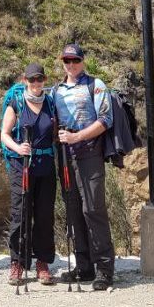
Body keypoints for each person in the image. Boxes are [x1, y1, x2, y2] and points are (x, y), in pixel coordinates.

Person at [53, 43, 115, 291]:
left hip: (90, 153)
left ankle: (104, 270)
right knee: (74, 210)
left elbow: (106, 119)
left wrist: (78, 137)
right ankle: (84, 266)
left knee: (93, 209)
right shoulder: (56, 90)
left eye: (75, 60)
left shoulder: (96, 85)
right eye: (67, 61)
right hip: (66, 156)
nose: (71, 65)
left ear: (83, 61)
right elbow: (32, 97)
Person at [0, 63, 56, 286]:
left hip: (46, 164)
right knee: (20, 213)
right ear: (25, 80)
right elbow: (4, 134)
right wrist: (17, 147)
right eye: (32, 80)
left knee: (44, 215)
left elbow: (55, 132)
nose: (36, 83)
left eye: (39, 79)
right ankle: (18, 262)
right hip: (20, 165)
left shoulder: (51, 103)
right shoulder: (16, 102)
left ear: (44, 80)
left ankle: (42, 262)